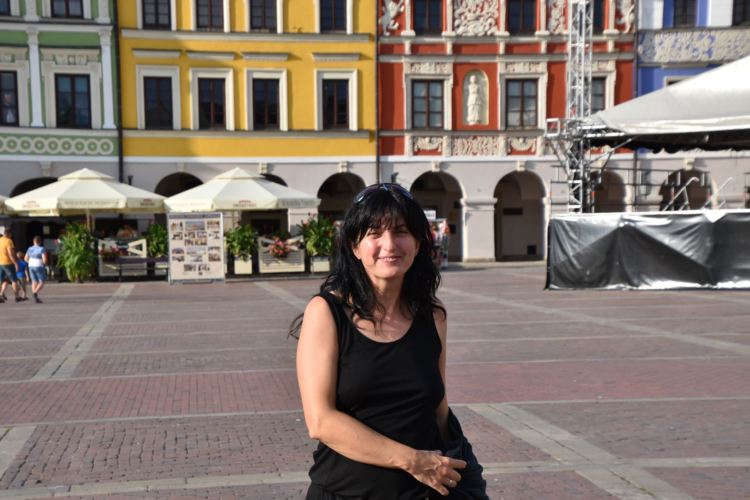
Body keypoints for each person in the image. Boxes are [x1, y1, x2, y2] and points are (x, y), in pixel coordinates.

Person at [293, 183, 487, 499]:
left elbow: (438, 410)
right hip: (347, 493)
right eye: (374, 233)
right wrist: (414, 461)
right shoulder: (326, 312)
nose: (389, 244)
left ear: (417, 243)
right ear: (354, 246)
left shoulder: (433, 315)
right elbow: (321, 421)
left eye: (401, 232)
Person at [0, 229, 21, 303]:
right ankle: (17, 296)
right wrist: (16, 263)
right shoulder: (9, 241)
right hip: (8, 263)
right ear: (9, 234)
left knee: (2, 280)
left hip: (0, 263)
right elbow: (11, 254)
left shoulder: (0, 240)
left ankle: (1, 294)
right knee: (14, 280)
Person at [26, 236, 48, 304]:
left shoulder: (30, 249)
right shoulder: (41, 249)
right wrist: (44, 264)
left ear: (33, 241)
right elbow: (44, 259)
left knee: (34, 281)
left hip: (31, 265)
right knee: (42, 281)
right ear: (40, 242)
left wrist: (30, 262)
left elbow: (25, 258)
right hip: (38, 264)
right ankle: (35, 293)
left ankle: (36, 297)